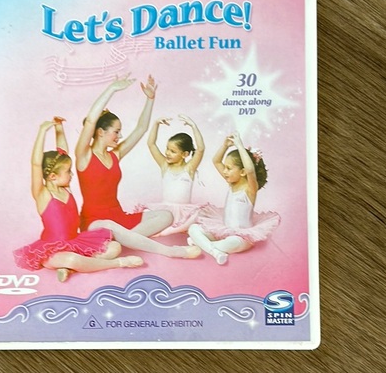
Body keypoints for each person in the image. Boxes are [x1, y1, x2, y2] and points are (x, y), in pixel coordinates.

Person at [75, 75, 201, 259]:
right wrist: (112, 89)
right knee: (110, 226)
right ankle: (172, 251)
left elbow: (141, 129)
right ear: (101, 132)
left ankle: (124, 240)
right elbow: (90, 121)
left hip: (119, 216)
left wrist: (150, 99)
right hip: (94, 222)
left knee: (166, 216)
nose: (120, 136)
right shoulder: (84, 156)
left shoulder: (115, 155)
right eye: (116, 131)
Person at [13, 117, 143, 282]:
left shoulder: (65, 189)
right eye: (68, 172)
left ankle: (73, 267)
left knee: (114, 247)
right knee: (71, 259)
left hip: (75, 241)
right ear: (52, 176)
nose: (72, 174)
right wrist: (42, 131)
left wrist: (59, 128)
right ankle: (118, 263)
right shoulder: (42, 194)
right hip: (52, 250)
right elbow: (36, 164)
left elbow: (63, 151)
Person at [187, 132, 280, 265]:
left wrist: (240, 146)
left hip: (241, 237)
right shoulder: (232, 183)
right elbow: (216, 161)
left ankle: (201, 244)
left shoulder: (250, 189)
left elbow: (250, 170)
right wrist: (225, 146)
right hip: (222, 231)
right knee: (193, 228)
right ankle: (215, 251)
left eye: (229, 168)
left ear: (242, 172)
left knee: (233, 243)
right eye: (225, 168)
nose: (224, 171)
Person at [131, 114, 206, 235]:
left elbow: (201, 149)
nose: (167, 153)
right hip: (165, 210)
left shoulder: (189, 169)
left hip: (183, 213)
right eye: (167, 149)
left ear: (185, 154)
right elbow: (151, 144)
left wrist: (193, 126)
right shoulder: (164, 166)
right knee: (145, 214)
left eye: (173, 151)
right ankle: (160, 231)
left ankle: (167, 231)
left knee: (196, 217)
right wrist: (156, 124)